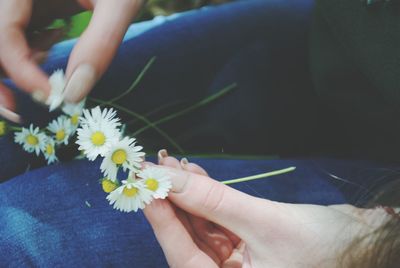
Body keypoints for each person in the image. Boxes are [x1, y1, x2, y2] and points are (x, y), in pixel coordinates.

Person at [0, 0, 399, 267]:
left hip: (384, 221)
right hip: (345, 41)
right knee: (15, 114)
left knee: (15, 233)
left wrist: (374, 248)